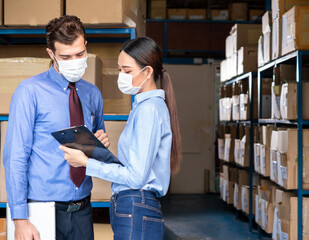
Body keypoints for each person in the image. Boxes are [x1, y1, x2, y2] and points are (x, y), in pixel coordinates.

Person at [60, 37, 182, 240]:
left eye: (127, 71)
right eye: (119, 70)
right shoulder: (142, 108)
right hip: (132, 205)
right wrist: (96, 151)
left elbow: (136, 177)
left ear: (148, 71)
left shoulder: (149, 110)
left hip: (136, 204)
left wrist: (86, 163)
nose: (122, 77)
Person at [3, 15, 109, 240]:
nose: (75, 61)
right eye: (66, 56)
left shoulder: (92, 94)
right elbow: (16, 157)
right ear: (51, 54)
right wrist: (20, 219)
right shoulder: (30, 92)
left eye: (80, 54)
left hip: (83, 210)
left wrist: (100, 146)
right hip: (42, 211)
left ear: (85, 46)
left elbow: (94, 155)